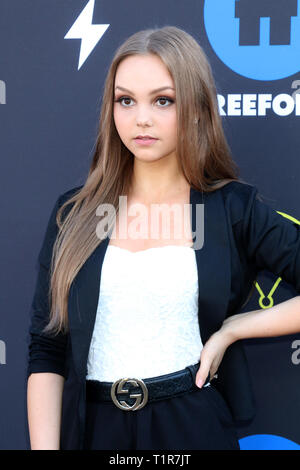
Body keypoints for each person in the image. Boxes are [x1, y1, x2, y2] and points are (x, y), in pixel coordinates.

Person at [26, 26, 300, 451]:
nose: (142, 118)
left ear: (194, 108)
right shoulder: (76, 215)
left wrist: (236, 328)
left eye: (163, 100)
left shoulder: (230, 209)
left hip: (191, 425)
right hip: (93, 431)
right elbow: (47, 347)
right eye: (126, 100)